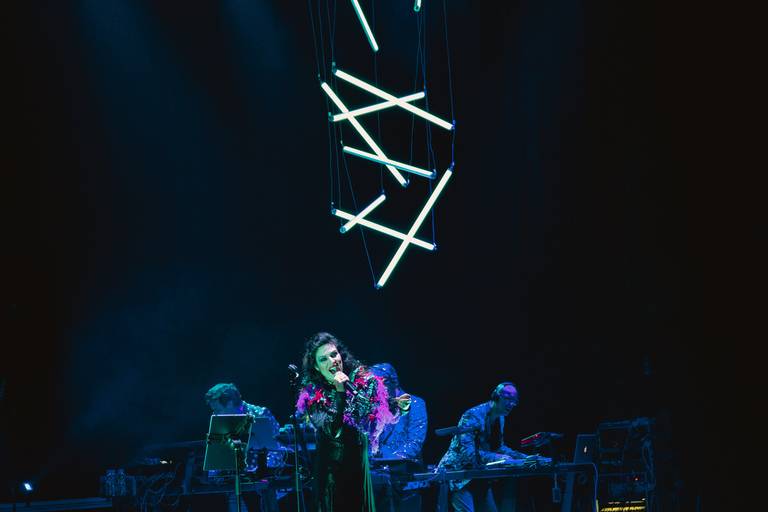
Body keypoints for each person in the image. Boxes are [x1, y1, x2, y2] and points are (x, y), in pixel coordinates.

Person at [294, 332, 408, 511]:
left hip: (358, 465)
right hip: (332, 472)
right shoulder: (311, 395)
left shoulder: (359, 380)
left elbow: (375, 410)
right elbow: (333, 430)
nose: (332, 361)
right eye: (323, 359)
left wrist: (397, 405)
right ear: (316, 366)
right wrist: (340, 392)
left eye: (334, 354)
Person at [437, 382, 528, 512]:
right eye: (508, 399)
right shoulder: (473, 415)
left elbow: (499, 447)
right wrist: (499, 457)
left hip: (479, 473)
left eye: (515, 401)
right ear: (496, 397)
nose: (512, 404)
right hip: (459, 473)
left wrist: (525, 458)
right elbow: (467, 452)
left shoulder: (500, 418)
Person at [205, 383, 282, 512]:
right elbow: (215, 454)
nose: (215, 414)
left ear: (230, 403)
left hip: (262, 489)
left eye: (217, 410)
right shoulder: (219, 420)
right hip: (233, 485)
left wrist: (258, 474)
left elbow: (277, 451)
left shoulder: (260, 414)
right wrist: (215, 474)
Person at [370, 363, 427, 512]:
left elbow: (415, 442)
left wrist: (388, 460)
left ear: (390, 382)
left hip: (406, 478)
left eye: (376, 384)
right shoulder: (374, 407)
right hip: (378, 479)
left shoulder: (415, 404)